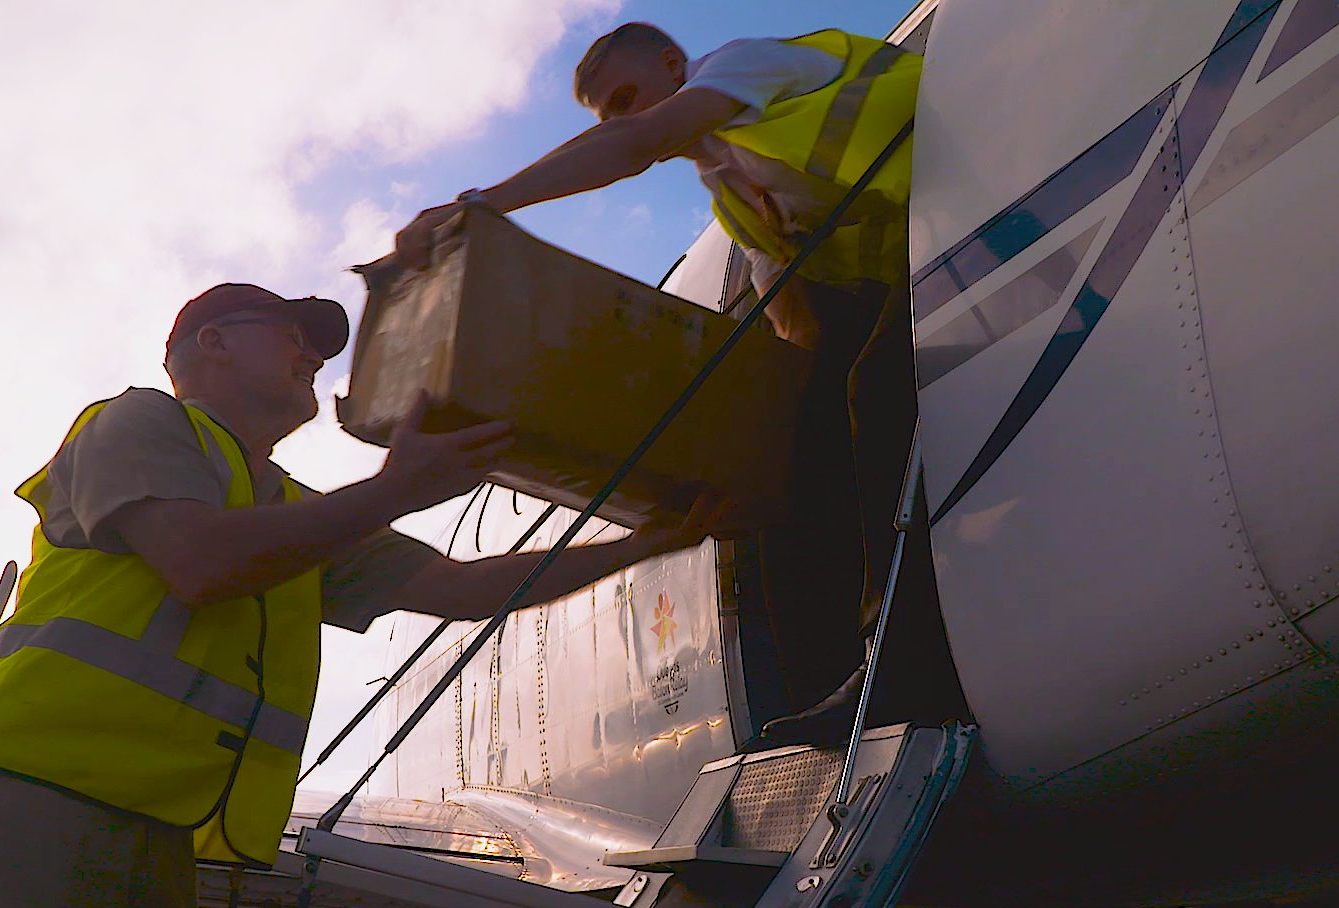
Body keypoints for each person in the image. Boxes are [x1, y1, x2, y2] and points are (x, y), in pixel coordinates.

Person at [0, 283, 717, 908]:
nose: (312, 352)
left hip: (161, 833)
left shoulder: (291, 509)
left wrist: (648, 544)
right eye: (291, 332)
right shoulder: (138, 422)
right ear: (211, 344)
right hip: (35, 804)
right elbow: (197, 562)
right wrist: (394, 489)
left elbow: (465, 589)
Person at [394, 22, 965, 744]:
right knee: (802, 442)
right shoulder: (737, 202)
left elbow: (633, 149)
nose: (627, 121)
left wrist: (483, 204)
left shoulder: (746, 66)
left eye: (629, 98)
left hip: (969, 199)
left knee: (875, 393)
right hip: (921, 259)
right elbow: (798, 337)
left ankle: (905, 665)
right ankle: (836, 675)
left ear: (675, 64)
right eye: (608, 114)